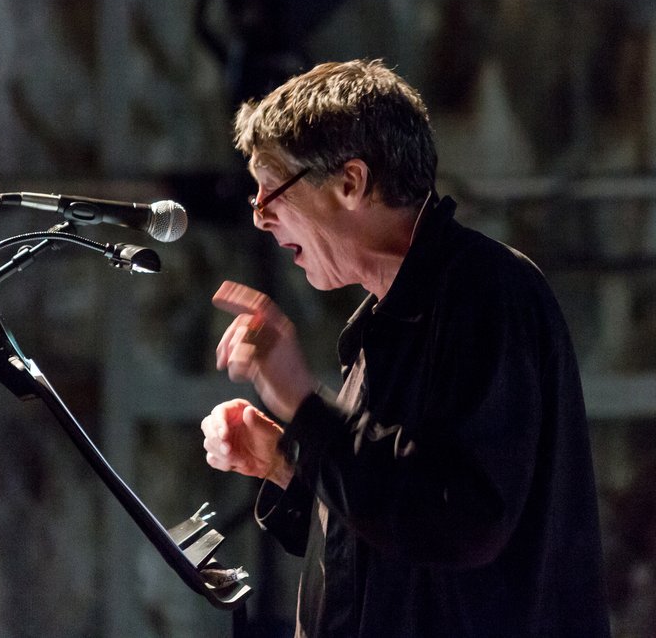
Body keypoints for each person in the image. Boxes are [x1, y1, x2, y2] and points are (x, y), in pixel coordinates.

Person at [201, 59, 611, 637]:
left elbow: (460, 520)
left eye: (274, 191)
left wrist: (305, 407)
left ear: (351, 182)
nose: (261, 217)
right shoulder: (386, 323)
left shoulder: (486, 294)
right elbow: (385, 537)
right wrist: (287, 462)